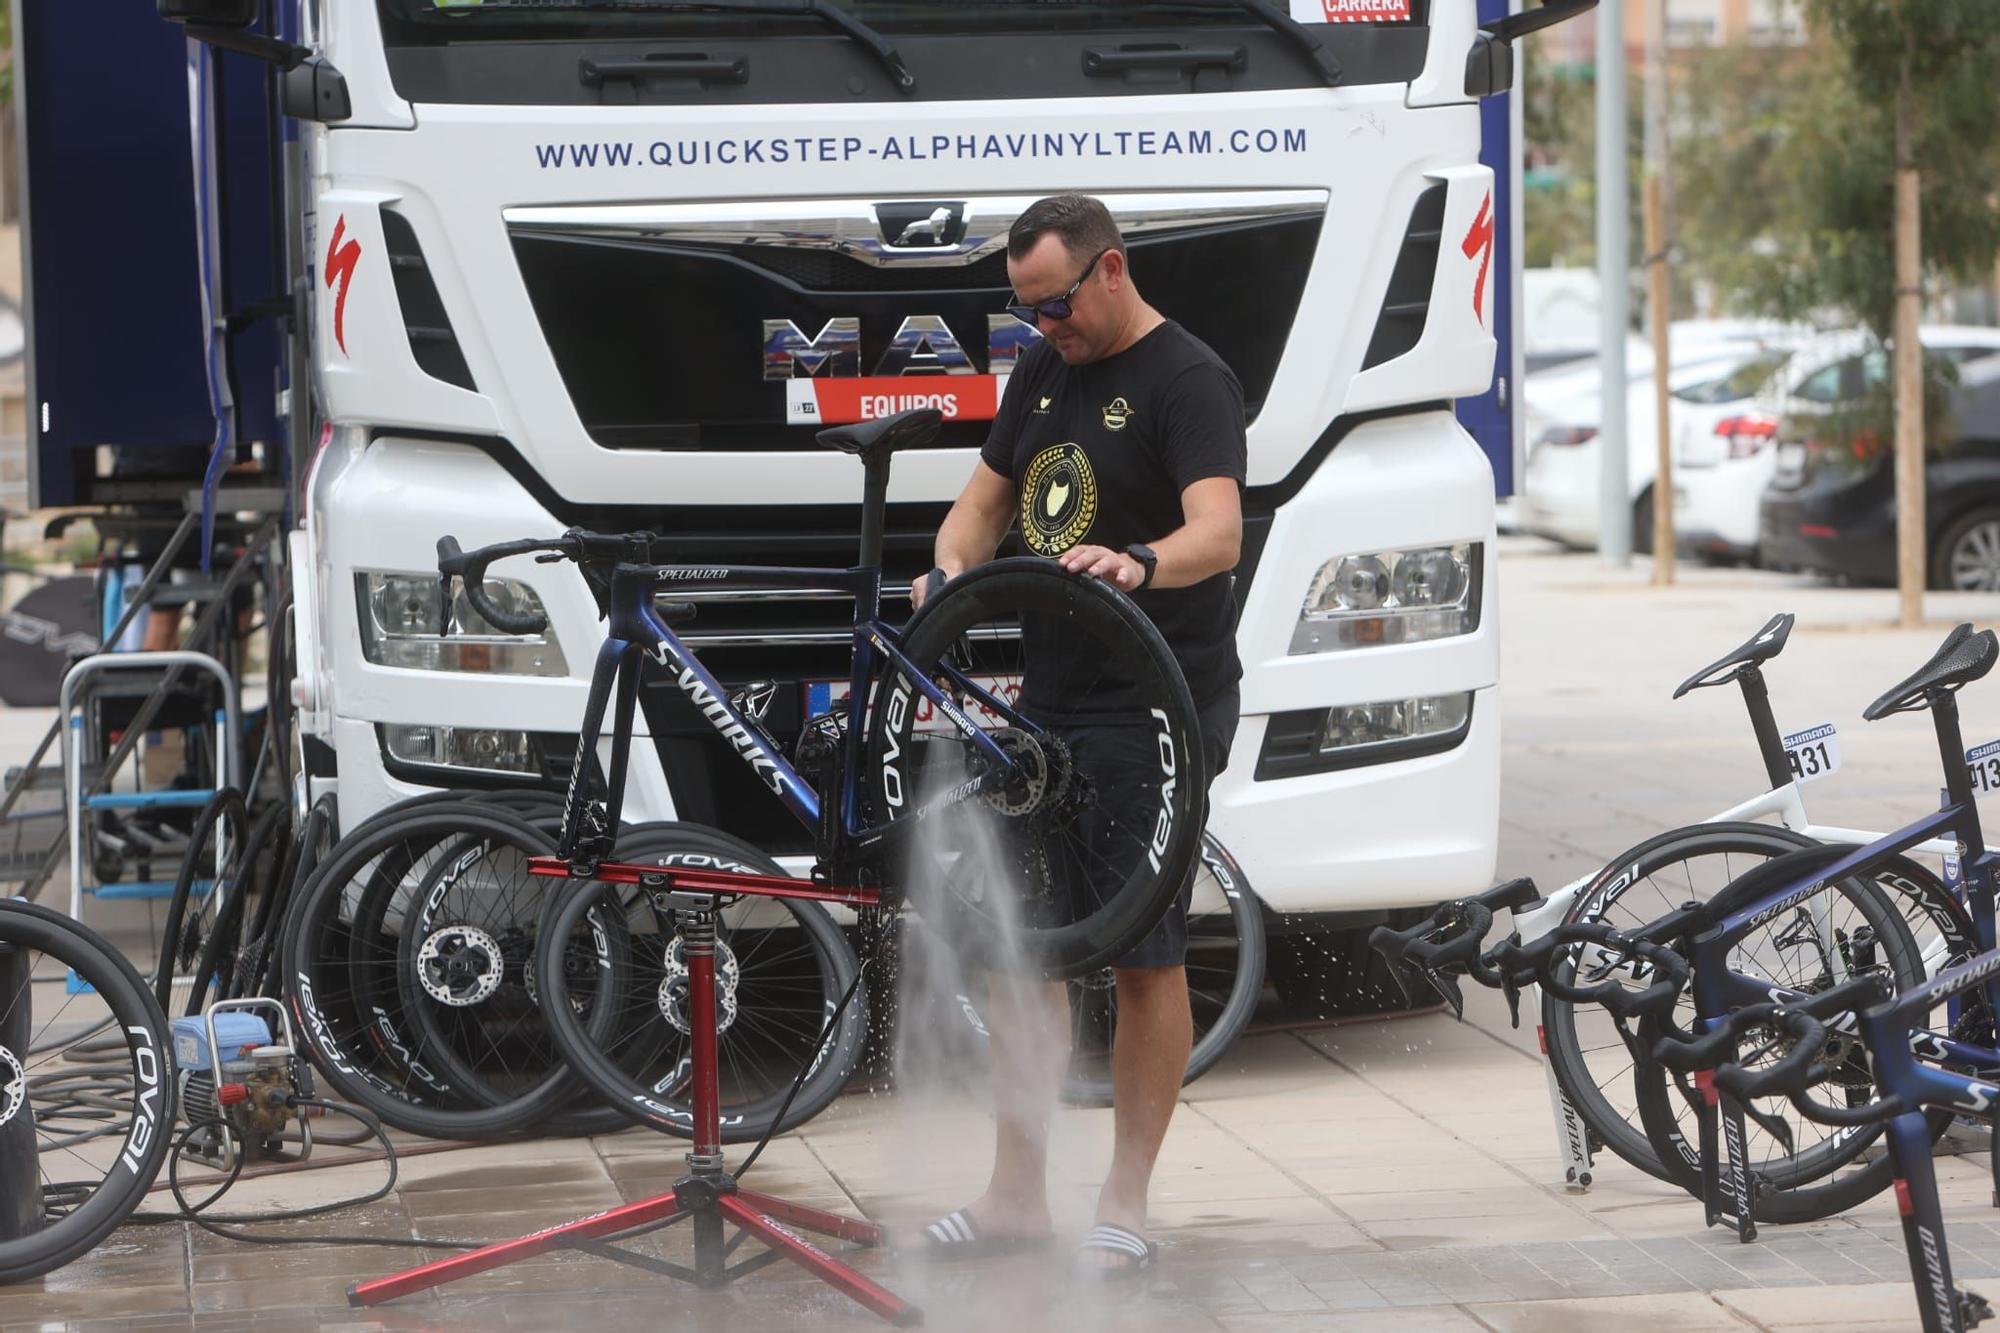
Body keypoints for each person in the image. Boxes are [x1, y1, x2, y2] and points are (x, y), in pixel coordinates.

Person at [912, 193, 1245, 1277]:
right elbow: (978, 506)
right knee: (1025, 950)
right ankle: (1016, 1194)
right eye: (1022, 313)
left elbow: (1217, 533)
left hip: (1157, 705)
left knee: (1143, 957)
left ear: (1110, 269)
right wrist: (948, 572)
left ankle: (1125, 1197)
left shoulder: (1186, 378)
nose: (1040, 329)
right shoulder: (1042, 373)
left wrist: (1140, 562)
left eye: (1053, 306)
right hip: (1047, 701)